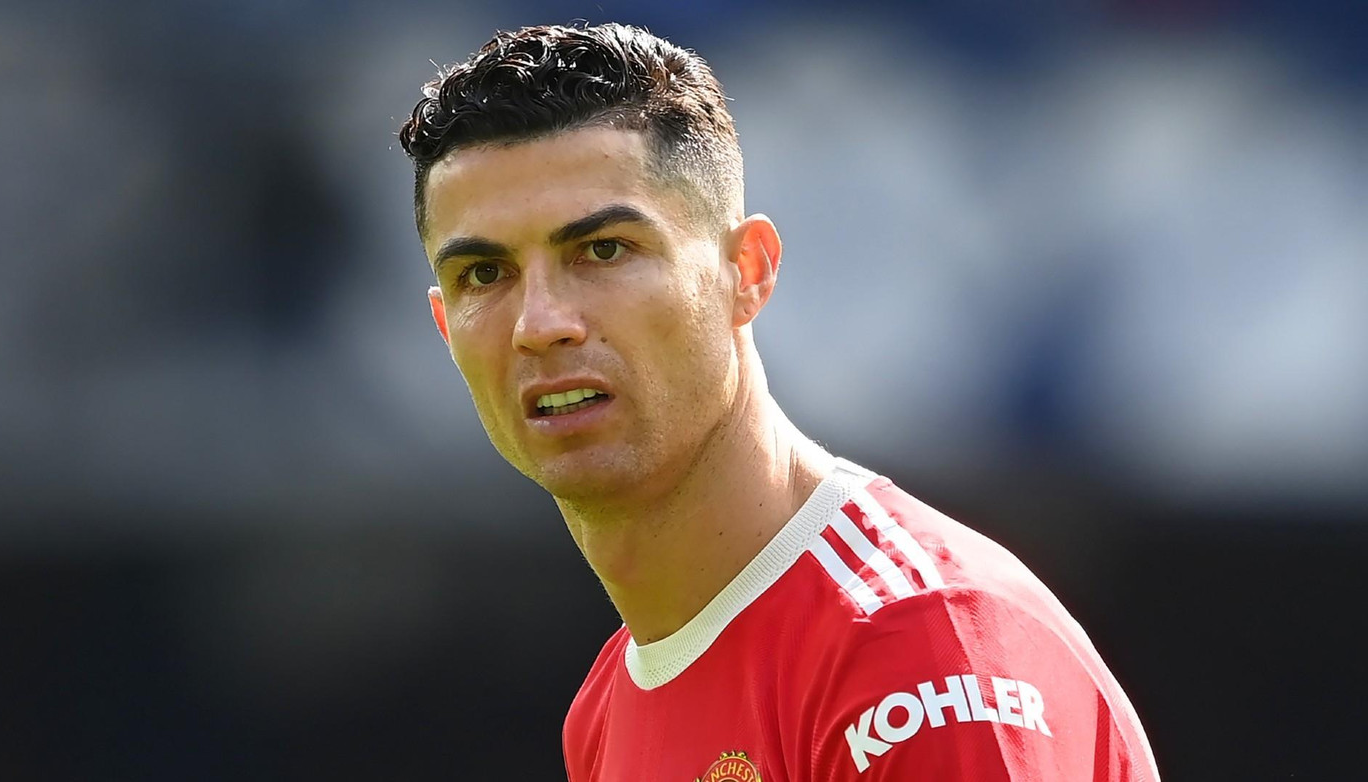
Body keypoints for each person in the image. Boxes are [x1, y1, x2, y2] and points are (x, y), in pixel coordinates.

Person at [398, 22, 1159, 781]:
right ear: (444, 326)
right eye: (484, 275)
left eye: (603, 251)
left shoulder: (920, 651)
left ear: (749, 271)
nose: (540, 324)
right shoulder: (607, 710)